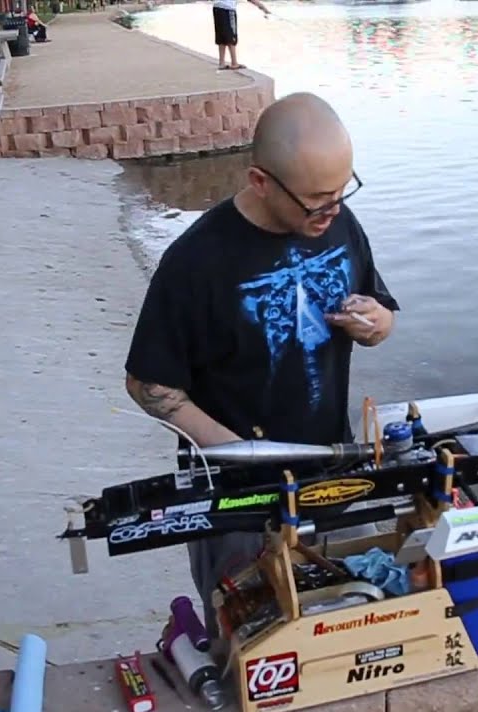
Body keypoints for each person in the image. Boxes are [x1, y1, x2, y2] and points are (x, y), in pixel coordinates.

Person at [124, 92, 399, 637]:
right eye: (317, 201)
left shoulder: (339, 223)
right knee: (252, 641)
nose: (333, 211)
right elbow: (147, 383)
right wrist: (239, 454)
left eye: (342, 193)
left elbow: (381, 310)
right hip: (234, 498)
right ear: (259, 181)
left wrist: (377, 323)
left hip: (333, 468)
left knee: (356, 618)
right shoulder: (196, 262)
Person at [212, 0, 269, 70]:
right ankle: (234, 63)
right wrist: (262, 6)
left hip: (217, 7)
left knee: (221, 36)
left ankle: (221, 63)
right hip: (227, 8)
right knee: (231, 36)